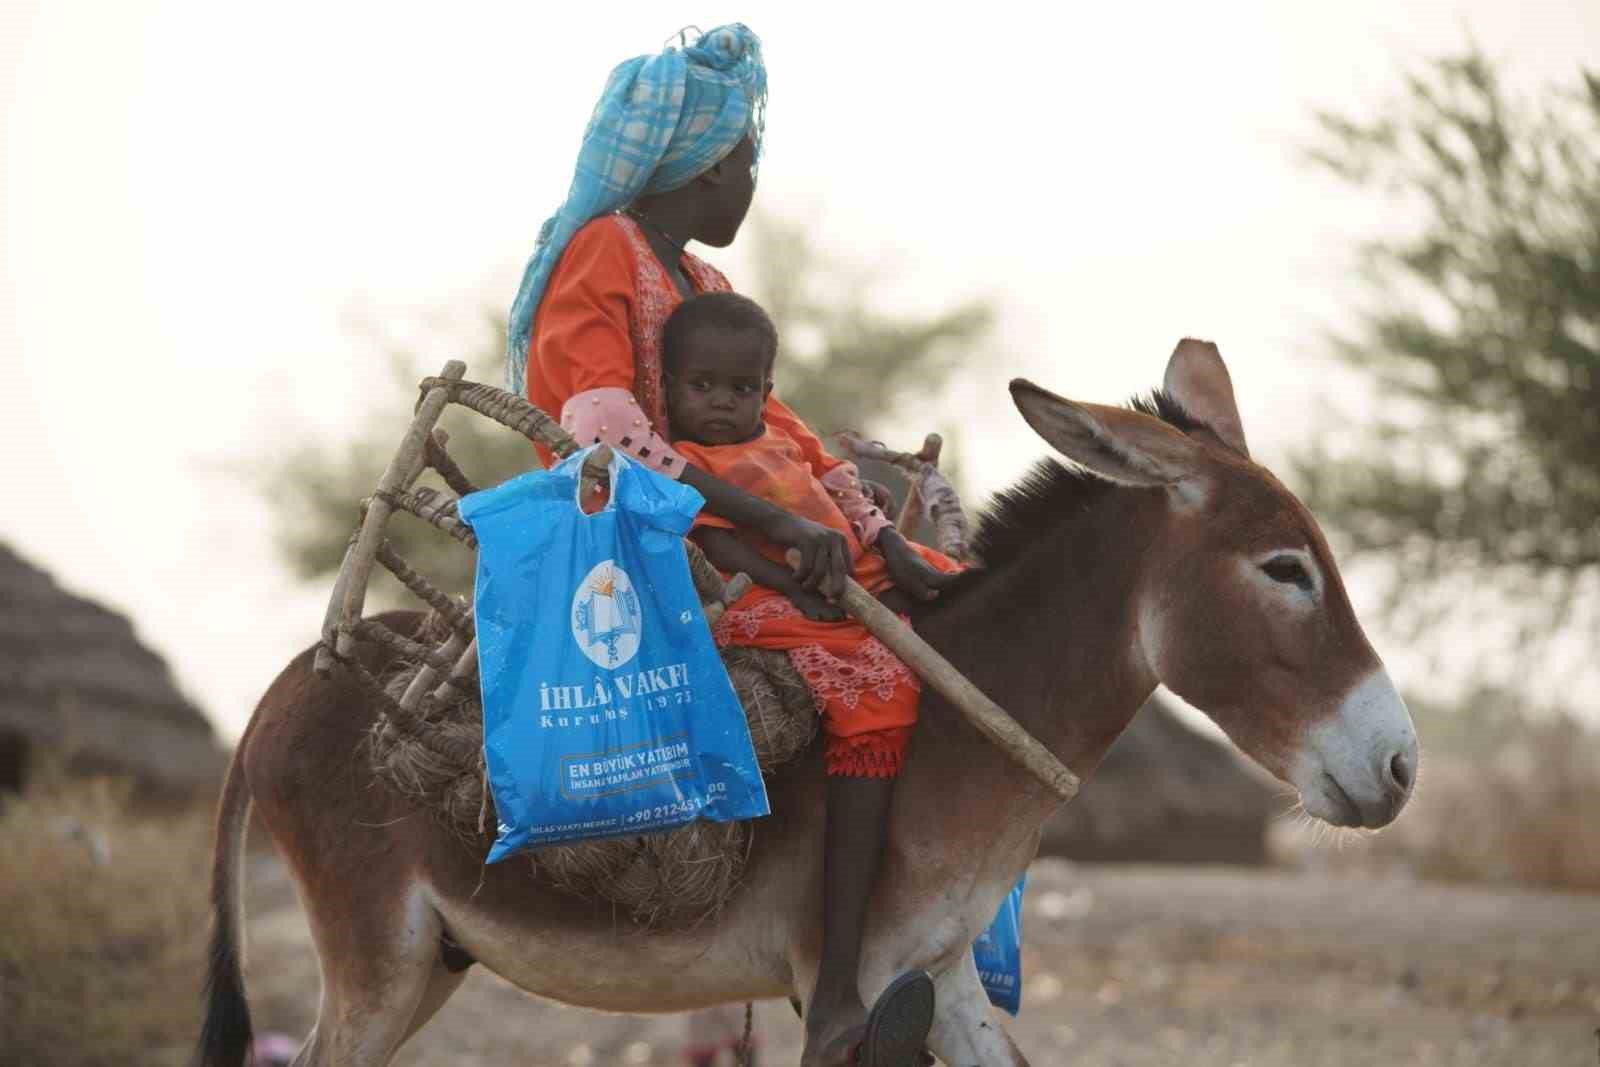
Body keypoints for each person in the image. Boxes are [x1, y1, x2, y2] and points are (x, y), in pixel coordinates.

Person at [504, 24, 956, 1067]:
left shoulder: (699, 280)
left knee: (947, 611)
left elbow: (779, 426)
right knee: (876, 682)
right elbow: (607, 439)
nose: (750, 183)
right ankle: (835, 995)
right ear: (708, 166)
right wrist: (775, 523)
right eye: (745, 163)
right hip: (650, 546)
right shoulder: (601, 253)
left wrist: (874, 526)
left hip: (730, 525)